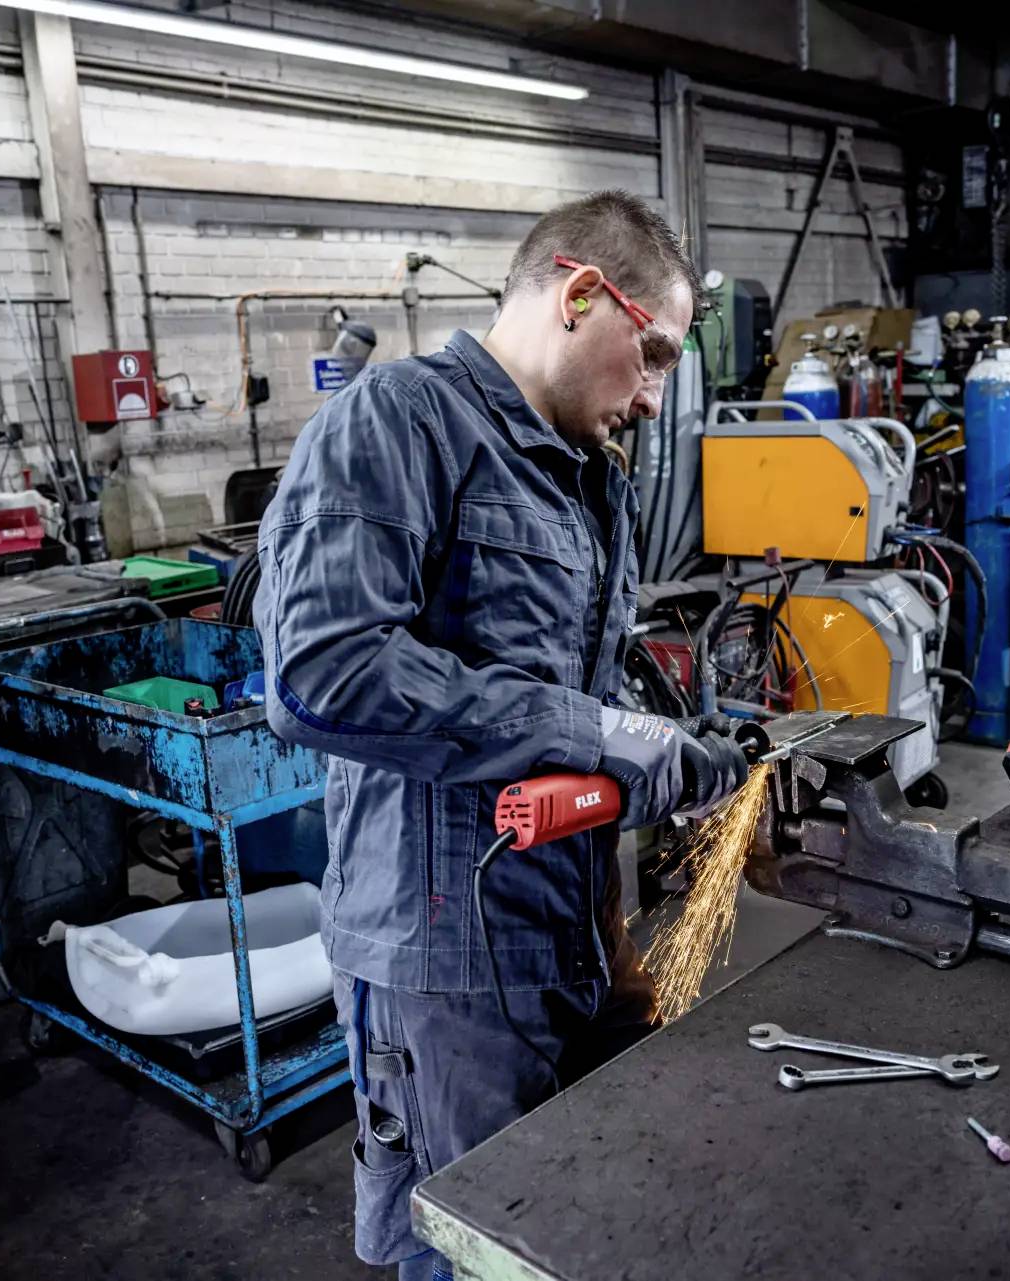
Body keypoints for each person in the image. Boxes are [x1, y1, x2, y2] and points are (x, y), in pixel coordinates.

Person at [256, 189, 750, 1279]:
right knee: (474, 1248)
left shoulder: (583, 474)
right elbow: (321, 673)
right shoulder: (395, 422)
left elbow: (565, 676)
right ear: (581, 295)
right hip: (447, 966)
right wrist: (596, 731)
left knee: (595, 1213)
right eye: (655, 355)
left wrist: (667, 746)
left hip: (574, 923)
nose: (659, 399)